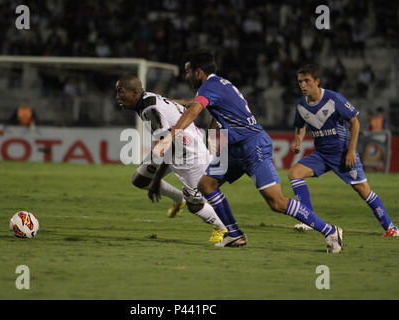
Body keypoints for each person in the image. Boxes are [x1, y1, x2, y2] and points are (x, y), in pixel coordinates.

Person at [156, 49, 343, 252]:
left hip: (253, 145)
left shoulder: (209, 87)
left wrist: (170, 136)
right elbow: (202, 106)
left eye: (188, 71)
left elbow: (195, 110)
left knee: (277, 202)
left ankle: (330, 231)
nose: (187, 76)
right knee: (206, 185)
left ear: (198, 71)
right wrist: (180, 106)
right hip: (235, 147)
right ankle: (235, 234)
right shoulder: (218, 84)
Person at [288, 64, 397, 237]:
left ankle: (391, 228)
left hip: (341, 153)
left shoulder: (333, 98)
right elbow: (300, 126)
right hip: (321, 155)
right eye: (300, 81)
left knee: (363, 190)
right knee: (294, 173)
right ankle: (308, 219)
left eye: (307, 81)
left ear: (317, 81)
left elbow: (355, 122)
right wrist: (298, 141)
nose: (303, 85)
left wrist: (351, 151)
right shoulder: (301, 104)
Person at [115, 75, 227, 243]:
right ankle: (178, 198)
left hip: (190, 153)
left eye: (121, 92)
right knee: (140, 179)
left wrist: (157, 179)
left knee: (195, 205)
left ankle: (223, 228)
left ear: (135, 92)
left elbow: (170, 144)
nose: (118, 97)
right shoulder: (148, 98)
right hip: (174, 147)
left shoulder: (149, 110)